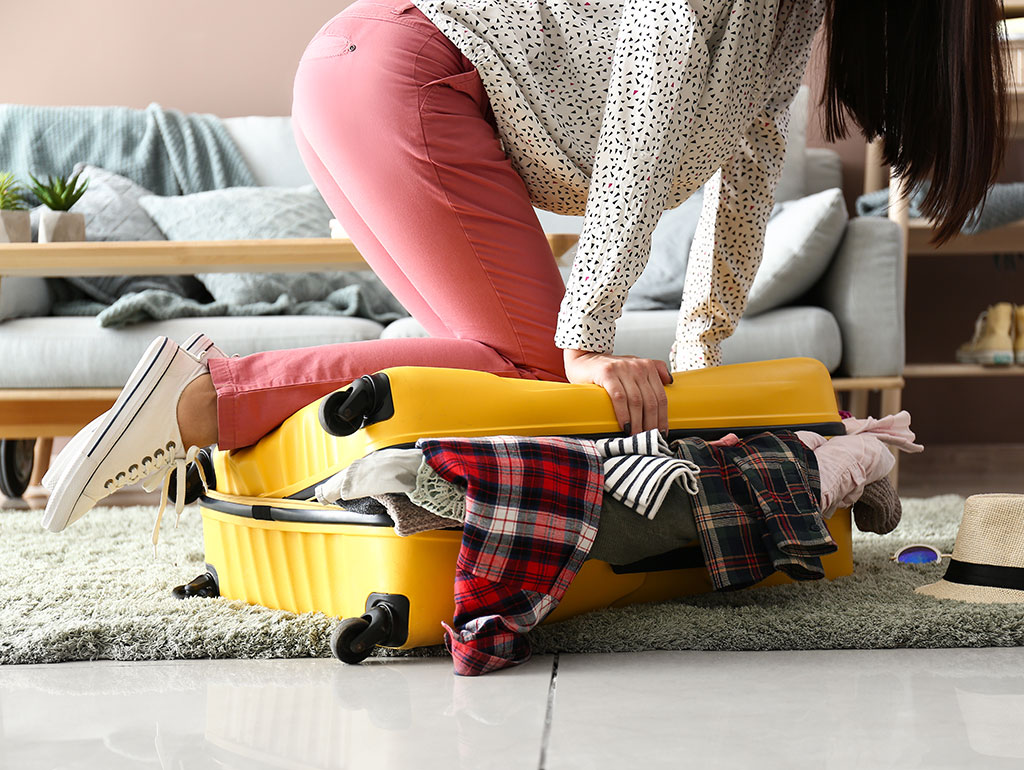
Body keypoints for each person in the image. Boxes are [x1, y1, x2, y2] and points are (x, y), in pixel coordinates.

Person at [42, 0, 1008, 533]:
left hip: (370, 72)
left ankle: (308, 488)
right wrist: (585, 340)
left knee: (484, 375)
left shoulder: (787, 22)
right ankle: (200, 397)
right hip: (407, 71)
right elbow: (646, 100)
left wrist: (701, 358)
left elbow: (746, 175)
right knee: (540, 373)